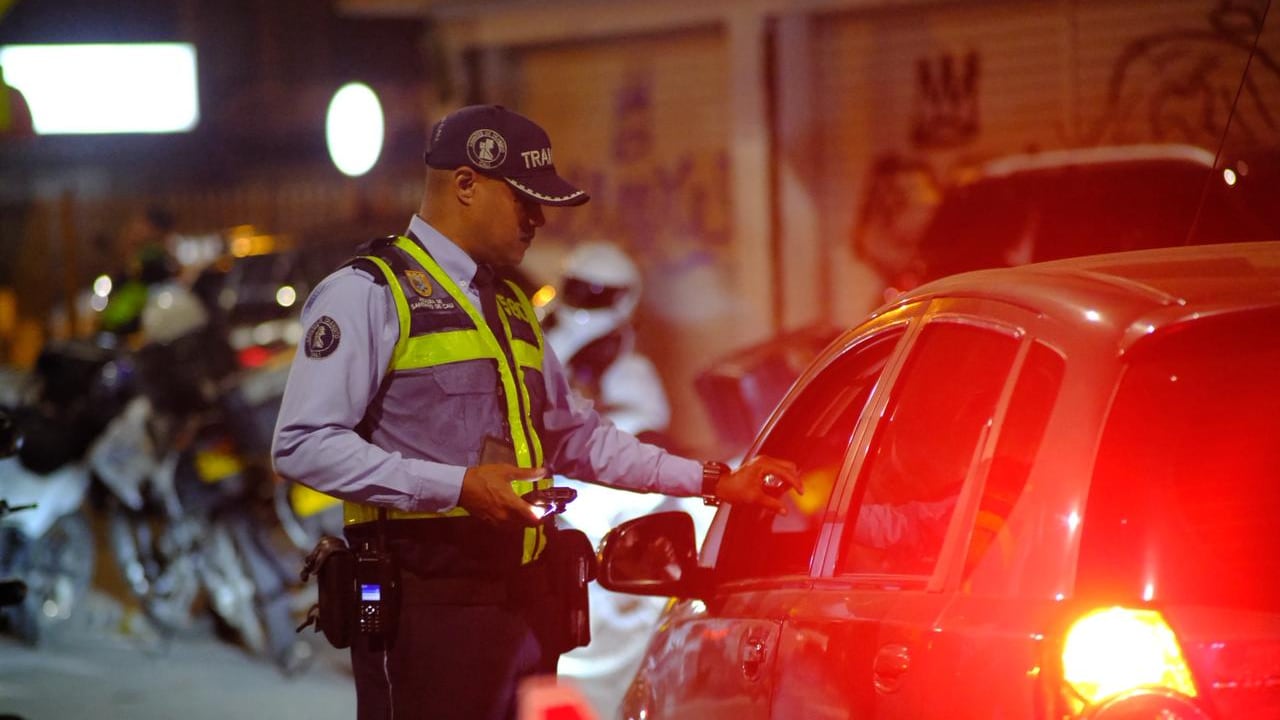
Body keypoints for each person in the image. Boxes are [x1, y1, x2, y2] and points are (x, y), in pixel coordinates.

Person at [271, 104, 800, 720]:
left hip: (522, 611)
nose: (539, 219)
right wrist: (460, 487)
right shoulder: (368, 292)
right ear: (465, 185)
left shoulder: (511, 306)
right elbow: (301, 443)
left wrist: (712, 480)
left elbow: (576, 437)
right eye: (523, 200)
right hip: (427, 616)